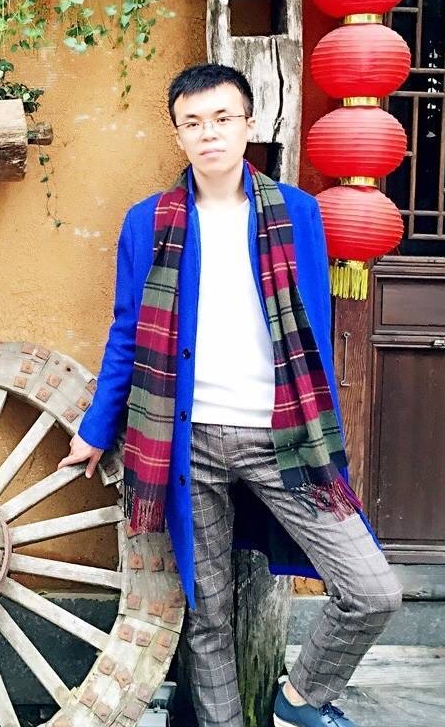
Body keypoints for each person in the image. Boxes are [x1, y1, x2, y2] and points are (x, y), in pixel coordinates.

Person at [58, 64, 403, 727]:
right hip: (186, 441)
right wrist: (97, 429)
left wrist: (319, 431)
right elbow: (129, 331)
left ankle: (300, 698)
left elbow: (313, 329)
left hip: (282, 437)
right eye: (193, 123)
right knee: (209, 615)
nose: (209, 133)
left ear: (249, 125)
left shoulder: (297, 213)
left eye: (222, 118)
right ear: (178, 135)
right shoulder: (146, 222)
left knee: (371, 589)